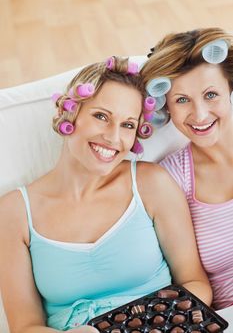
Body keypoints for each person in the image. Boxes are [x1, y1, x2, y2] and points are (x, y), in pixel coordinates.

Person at [0, 56, 212, 333]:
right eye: (101, 116)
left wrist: (148, 322)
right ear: (69, 113)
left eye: (127, 125)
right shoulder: (14, 212)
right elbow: (25, 326)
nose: (113, 138)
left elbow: (195, 283)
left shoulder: (151, 184)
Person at [141, 27, 233, 310]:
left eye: (211, 95)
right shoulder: (171, 178)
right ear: (165, 107)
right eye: (182, 100)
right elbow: (190, 281)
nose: (200, 115)